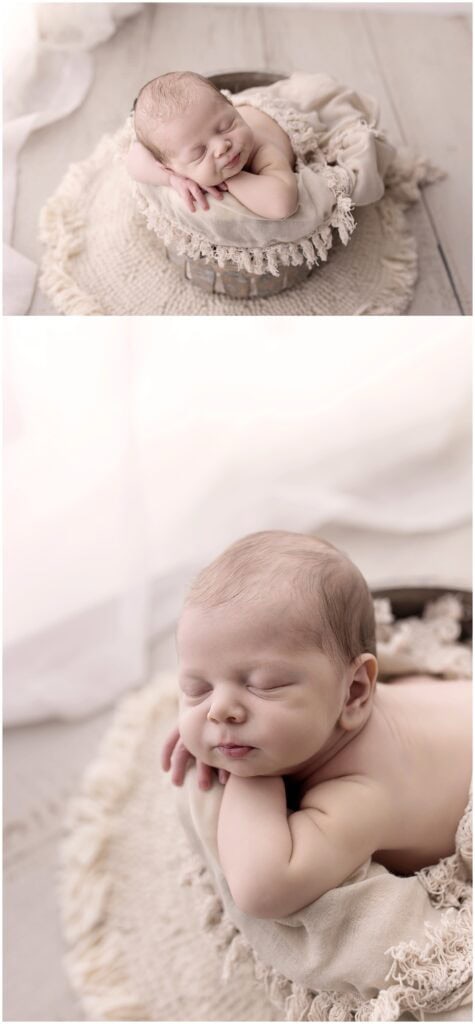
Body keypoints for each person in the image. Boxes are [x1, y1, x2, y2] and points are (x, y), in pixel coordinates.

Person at [163, 530, 471, 919]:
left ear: (355, 691)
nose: (219, 710)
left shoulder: (359, 794)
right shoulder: (328, 709)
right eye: (197, 688)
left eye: (264, 685)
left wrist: (248, 778)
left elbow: (263, 891)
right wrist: (201, 723)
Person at [126, 71, 298, 219]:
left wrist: (229, 180)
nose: (221, 147)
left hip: (274, 120)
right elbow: (133, 161)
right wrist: (172, 179)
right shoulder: (173, 162)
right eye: (199, 152)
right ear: (170, 168)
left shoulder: (262, 150)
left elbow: (282, 205)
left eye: (227, 126)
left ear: (233, 107)